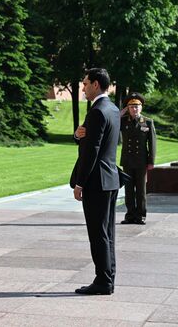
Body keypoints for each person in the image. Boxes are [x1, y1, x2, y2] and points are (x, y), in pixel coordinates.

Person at [70, 68, 120, 295]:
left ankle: (102, 282)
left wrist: (80, 183)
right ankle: (108, 278)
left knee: (98, 234)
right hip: (110, 179)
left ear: (96, 84)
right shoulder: (112, 109)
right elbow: (92, 138)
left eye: (85, 84)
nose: (83, 88)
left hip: (96, 183)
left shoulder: (97, 111)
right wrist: (78, 135)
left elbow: (92, 151)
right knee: (107, 233)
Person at [119, 92, 156, 225]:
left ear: (141, 108)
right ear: (128, 108)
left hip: (141, 162)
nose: (134, 109)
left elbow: (152, 143)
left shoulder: (147, 122)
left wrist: (151, 161)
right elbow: (111, 121)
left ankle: (140, 216)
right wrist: (120, 113)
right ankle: (130, 215)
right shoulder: (123, 121)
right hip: (128, 161)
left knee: (141, 190)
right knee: (128, 190)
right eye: (131, 107)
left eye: (137, 107)